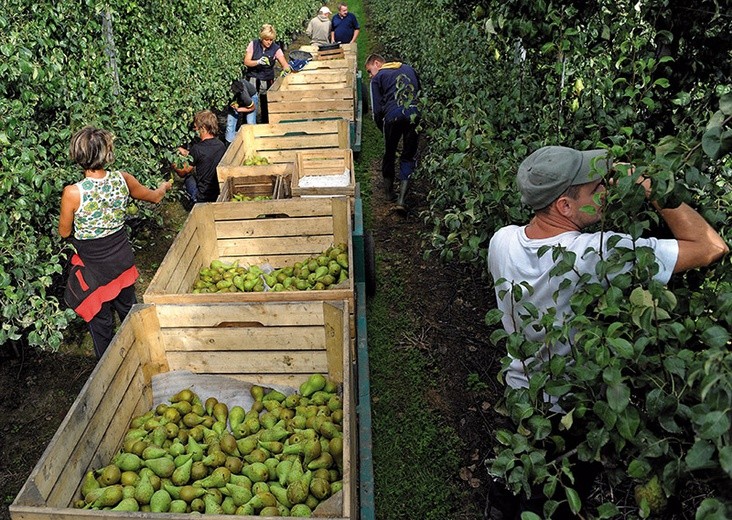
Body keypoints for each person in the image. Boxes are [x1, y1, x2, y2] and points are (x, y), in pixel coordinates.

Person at [485, 145, 729, 519]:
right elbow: (710, 247)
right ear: (565, 206)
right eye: (595, 187)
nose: (606, 191)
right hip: (570, 412)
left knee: (516, 484)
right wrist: (652, 189)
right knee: (554, 503)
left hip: (522, 397)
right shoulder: (595, 254)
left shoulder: (501, 241)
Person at [59, 126, 172, 359]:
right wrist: (164, 187)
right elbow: (154, 197)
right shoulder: (123, 179)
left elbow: (64, 232)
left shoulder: (73, 193)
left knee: (102, 328)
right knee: (131, 312)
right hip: (121, 261)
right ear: (107, 152)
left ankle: (111, 374)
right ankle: (148, 356)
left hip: (95, 270)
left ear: (77, 155)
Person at [365, 53, 420, 210]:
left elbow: (376, 111)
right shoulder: (409, 68)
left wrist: (382, 129)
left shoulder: (378, 78)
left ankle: (389, 194)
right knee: (408, 155)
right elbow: (419, 92)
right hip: (414, 114)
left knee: (389, 153)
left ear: (377, 63)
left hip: (393, 116)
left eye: (370, 71)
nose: (370, 76)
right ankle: (401, 200)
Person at [172, 109, 226, 204]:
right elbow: (205, 156)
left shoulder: (197, 149)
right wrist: (186, 153)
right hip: (218, 192)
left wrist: (173, 163)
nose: (195, 129)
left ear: (203, 128)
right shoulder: (220, 145)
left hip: (203, 196)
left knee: (188, 177)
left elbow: (182, 172)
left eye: (196, 127)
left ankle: (194, 200)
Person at [243, 24, 291, 123]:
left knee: (266, 102)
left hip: (267, 78)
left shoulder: (276, 48)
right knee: (250, 101)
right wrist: (258, 62)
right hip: (253, 77)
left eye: (271, 40)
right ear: (262, 38)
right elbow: (246, 61)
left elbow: (285, 64)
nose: (269, 42)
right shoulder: (253, 44)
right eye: (266, 39)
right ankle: (248, 124)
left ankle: (266, 123)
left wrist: (285, 71)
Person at [226, 79, 258, 144]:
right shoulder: (227, 89)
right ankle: (229, 144)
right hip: (236, 100)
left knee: (250, 122)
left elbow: (252, 108)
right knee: (230, 123)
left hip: (251, 97)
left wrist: (239, 109)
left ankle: (252, 142)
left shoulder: (245, 96)